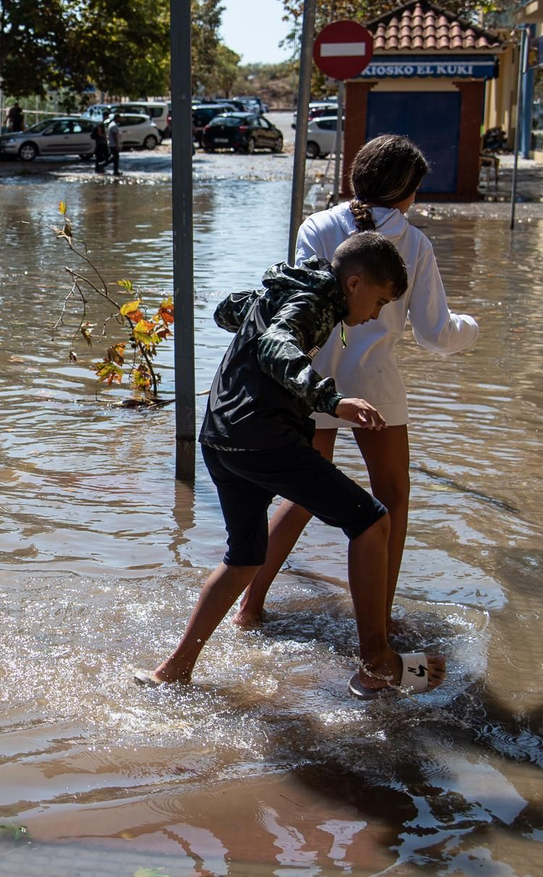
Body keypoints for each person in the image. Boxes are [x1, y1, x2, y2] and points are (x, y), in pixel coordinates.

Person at [138, 231, 448, 700]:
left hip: (221, 438)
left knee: (244, 558)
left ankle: (174, 668)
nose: (378, 314)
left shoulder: (286, 289)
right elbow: (275, 345)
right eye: (380, 301)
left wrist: (261, 301)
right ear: (354, 283)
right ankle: (377, 662)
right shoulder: (313, 303)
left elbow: (226, 310)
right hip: (264, 438)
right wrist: (333, 400)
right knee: (371, 522)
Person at [236, 135, 479, 634]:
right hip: (375, 383)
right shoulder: (414, 242)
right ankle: (380, 621)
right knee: (393, 496)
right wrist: (473, 327)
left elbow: (295, 306)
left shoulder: (317, 225)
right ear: (407, 191)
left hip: (310, 383)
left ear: (356, 178)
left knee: (300, 497)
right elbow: (436, 335)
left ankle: (249, 606)